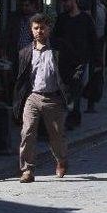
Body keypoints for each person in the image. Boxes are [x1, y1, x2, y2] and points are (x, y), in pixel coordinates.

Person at [13, 13, 79, 183]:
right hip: (33, 97)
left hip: (53, 98)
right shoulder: (25, 52)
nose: (39, 31)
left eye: (42, 27)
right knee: (27, 132)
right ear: (31, 30)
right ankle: (27, 169)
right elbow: (21, 76)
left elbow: (77, 65)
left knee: (56, 135)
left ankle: (61, 160)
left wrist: (72, 84)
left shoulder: (59, 48)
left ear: (49, 28)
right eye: (36, 28)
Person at [53, 0, 98, 130]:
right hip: (65, 60)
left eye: (66, 1)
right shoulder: (62, 19)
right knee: (66, 88)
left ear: (74, 1)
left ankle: (73, 117)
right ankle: (74, 114)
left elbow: (93, 40)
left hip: (80, 61)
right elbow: (55, 37)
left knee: (75, 87)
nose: (64, 4)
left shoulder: (86, 19)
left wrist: (96, 61)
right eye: (63, 1)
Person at [7, 0, 37, 72]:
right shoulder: (15, 18)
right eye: (22, 5)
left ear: (33, 5)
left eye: (27, 5)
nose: (24, 8)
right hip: (16, 55)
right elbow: (9, 35)